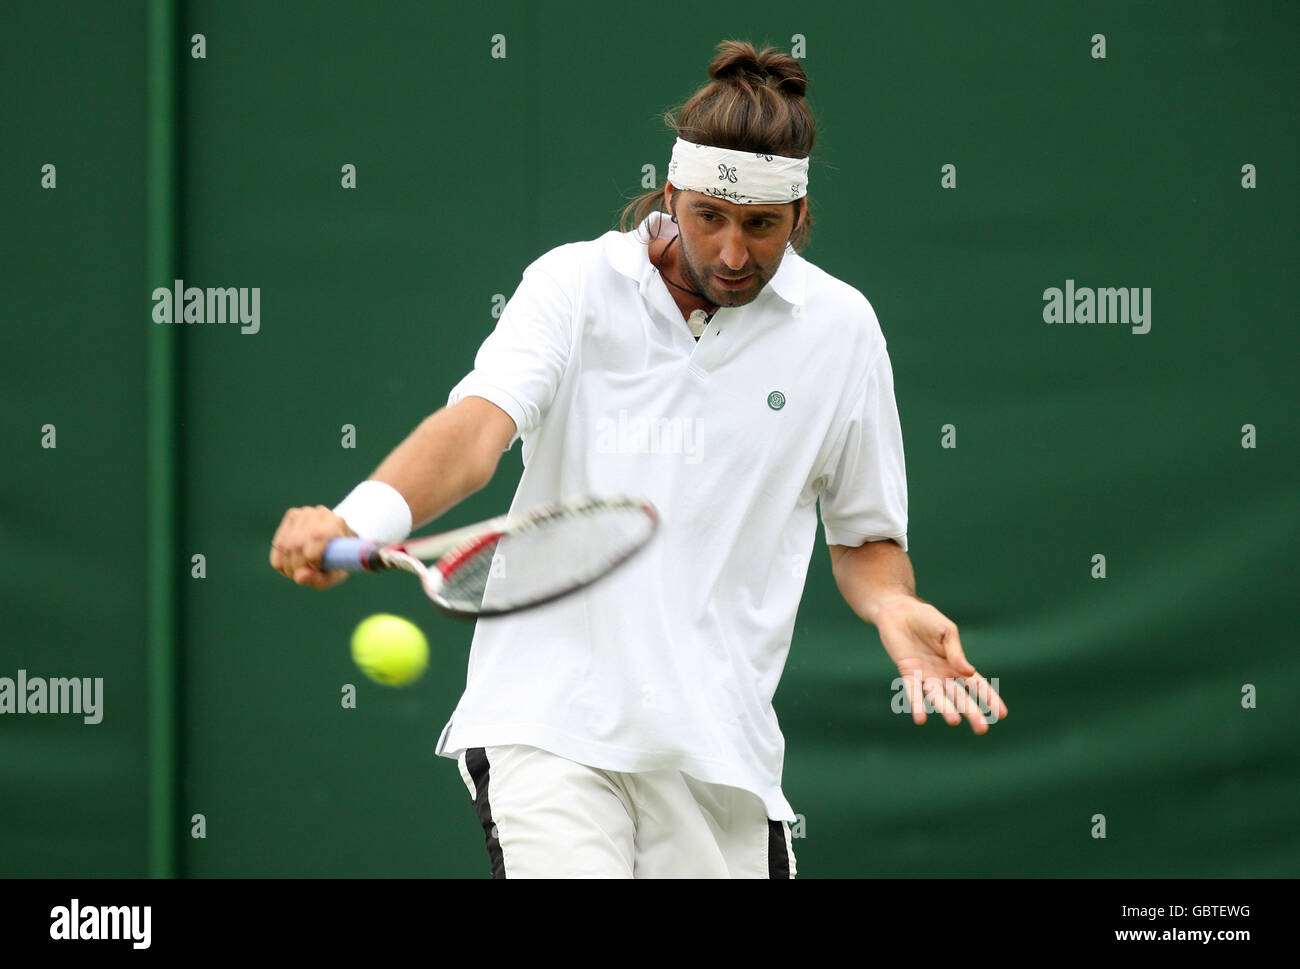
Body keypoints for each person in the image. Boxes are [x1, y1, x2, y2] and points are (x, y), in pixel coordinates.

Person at [270, 40, 1007, 878]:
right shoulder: (573, 287)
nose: (733, 253)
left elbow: (865, 540)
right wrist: (357, 518)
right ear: (670, 194)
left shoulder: (844, 333)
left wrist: (890, 607)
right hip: (552, 726)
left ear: (799, 216)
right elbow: (476, 434)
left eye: (761, 226)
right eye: (709, 218)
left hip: (721, 755)